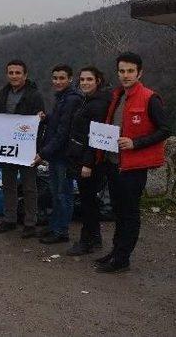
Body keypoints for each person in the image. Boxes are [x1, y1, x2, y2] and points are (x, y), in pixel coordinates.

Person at [96, 52, 170, 273]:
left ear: (140, 72)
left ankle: (122, 259)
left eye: (130, 71)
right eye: (121, 71)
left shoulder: (149, 98)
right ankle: (116, 251)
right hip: (113, 163)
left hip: (133, 168)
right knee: (118, 211)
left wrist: (135, 143)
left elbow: (165, 129)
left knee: (129, 213)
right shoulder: (117, 95)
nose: (125, 75)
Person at [0, 60, 44, 238]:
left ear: (25, 75)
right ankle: (9, 219)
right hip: (6, 148)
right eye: (11, 73)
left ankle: (30, 223)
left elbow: (40, 124)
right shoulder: (2, 94)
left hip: (27, 149)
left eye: (18, 73)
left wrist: (39, 148)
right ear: (7, 74)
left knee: (29, 187)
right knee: (8, 185)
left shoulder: (35, 95)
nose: (14, 76)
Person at [33, 64, 82, 244]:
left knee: (63, 193)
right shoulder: (62, 98)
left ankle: (61, 231)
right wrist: (46, 119)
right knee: (56, 193)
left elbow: (63, 132)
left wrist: (43, 153)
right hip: (56, 155)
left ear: (70, 79)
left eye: (62, 78)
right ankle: (55, 226)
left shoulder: (71, 100)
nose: (58, 81)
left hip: (63, 155)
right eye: (55, 78)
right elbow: (57, 122)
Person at [64, 67, 111, 255]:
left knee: (88, 202)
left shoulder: (98, 104)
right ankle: (96, 238)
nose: (84, 82)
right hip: (83, 157)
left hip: (89, 162)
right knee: (89, 200)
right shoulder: (89, 100)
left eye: (89, 79)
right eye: (82, 79)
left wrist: (87, 164)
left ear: (98, 80)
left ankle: (86, 241)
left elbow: (96, 137)